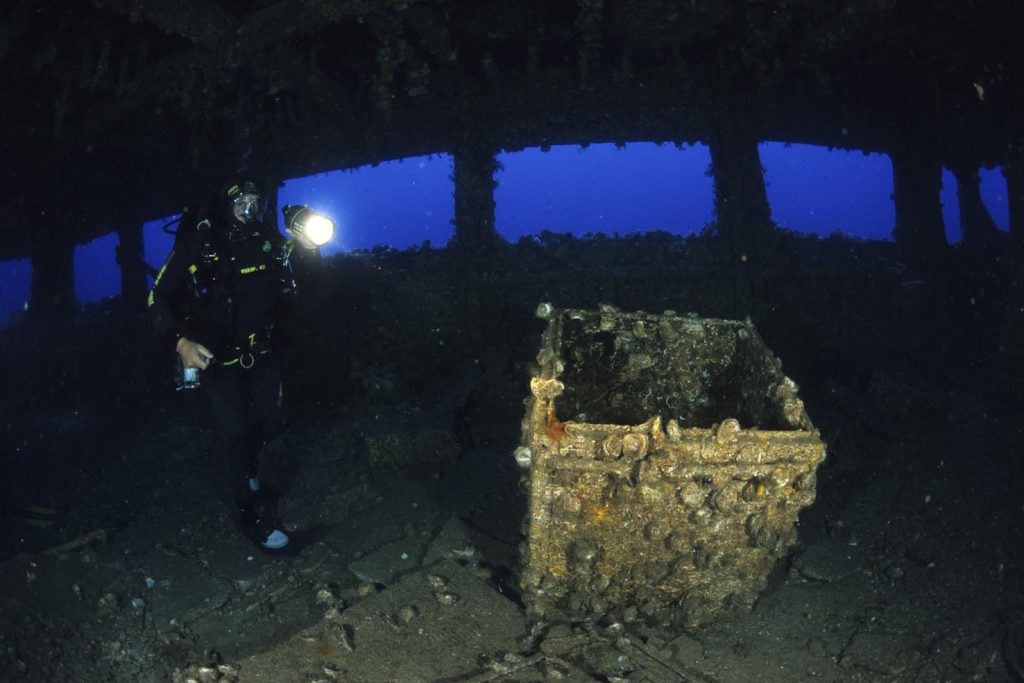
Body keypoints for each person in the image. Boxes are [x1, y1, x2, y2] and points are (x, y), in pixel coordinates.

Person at [148, 178, 298, 553]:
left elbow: (294, 288)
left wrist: (307, 246)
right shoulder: (200, 245)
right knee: (235, 434)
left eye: (256, 203)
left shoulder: (269, 243)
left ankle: (250, 472)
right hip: (215, 359)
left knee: (273, 421)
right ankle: (251, 516)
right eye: (242, 203)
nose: (250, 211)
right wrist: (180, 342)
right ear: (226, 207)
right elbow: (157, 296)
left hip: (261, 353)